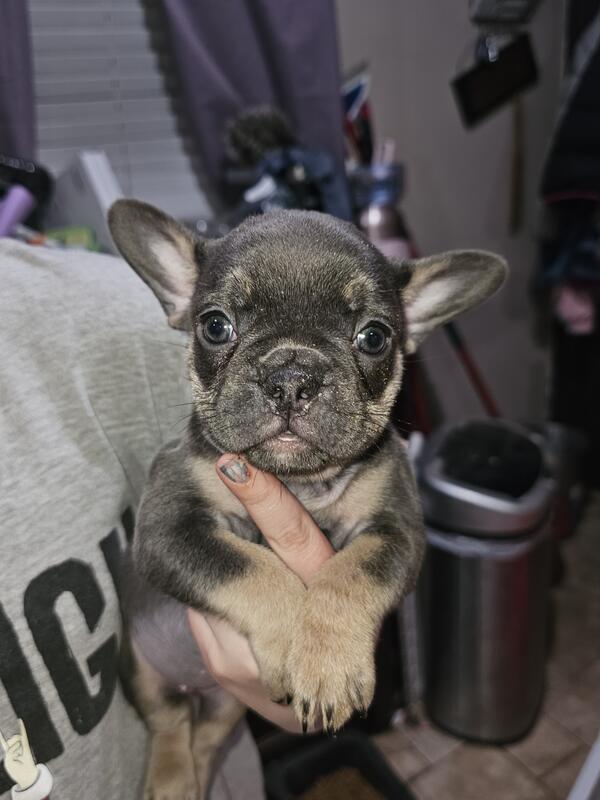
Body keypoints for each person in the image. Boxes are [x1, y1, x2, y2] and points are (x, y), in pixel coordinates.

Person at [0, 239, 331, 799]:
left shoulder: (115, 320)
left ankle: (196, 744)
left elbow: (313, 696)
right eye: (220, 329)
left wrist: (325, 640)